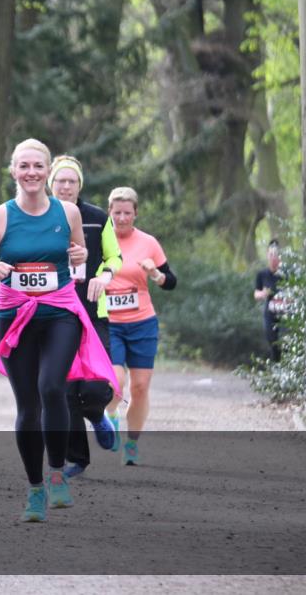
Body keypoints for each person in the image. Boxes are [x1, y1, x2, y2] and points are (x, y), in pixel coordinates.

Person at [0, 139, 118, 522]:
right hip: (15, 316)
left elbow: (78, 257)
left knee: (53, 388)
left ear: (48, 171)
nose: (32, 172)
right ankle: (34, 489)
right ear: (13, 171)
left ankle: (56, 472)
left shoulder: (68, 213)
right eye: (24, 166)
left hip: (59, 311)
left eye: (38, 166)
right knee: (28, 404)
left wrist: (80, 256)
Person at [48, 155, 122, 478]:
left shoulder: (94, 217)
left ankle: (97, 414)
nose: (66, 187)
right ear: (51, 184)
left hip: (92, 312)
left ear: (80, 185)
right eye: (60, 181)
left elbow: (115, 256)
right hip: (53, 313)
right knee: (64, 389)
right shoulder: (37, 216)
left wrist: (104, 276)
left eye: (71, 181)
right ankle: (76, 458)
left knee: (92, 386)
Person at [103, 187, 176, 466]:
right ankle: (110, 415)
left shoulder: (148, 242)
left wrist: (155, 274)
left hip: (142, 322)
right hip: (109, 323)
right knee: (114, 384)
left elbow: (171, 281)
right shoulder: (100, 241)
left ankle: (131, 443)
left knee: (141, 387)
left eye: (127, 213)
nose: (122, 218)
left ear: (135, 214)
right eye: (117, 212)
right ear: (110, 212)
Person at [254, 240, 286, 362]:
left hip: (284, 314)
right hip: (270, 313)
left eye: (276, 254)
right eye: (271, 254)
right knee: (273, 342)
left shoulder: (285, 273)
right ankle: (276, 370)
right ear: (267, 255)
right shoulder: (262, 274)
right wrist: (263, 293)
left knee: (284, 343)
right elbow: (256, 293)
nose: (273, 257)